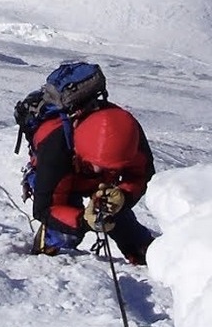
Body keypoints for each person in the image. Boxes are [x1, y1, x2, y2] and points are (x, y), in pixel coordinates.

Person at [21, 85, 156, 265]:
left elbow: (141, 175)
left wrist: (123, 196)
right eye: (96, 165)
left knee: (113, 212)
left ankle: (144, 252)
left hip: (85, 173)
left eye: (111, 167)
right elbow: (44, 208)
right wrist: (84, 221)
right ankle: (47, 246)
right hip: (61, 178)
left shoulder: (129, 135)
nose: (100, 171)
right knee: (67, 233)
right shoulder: (55, 151)